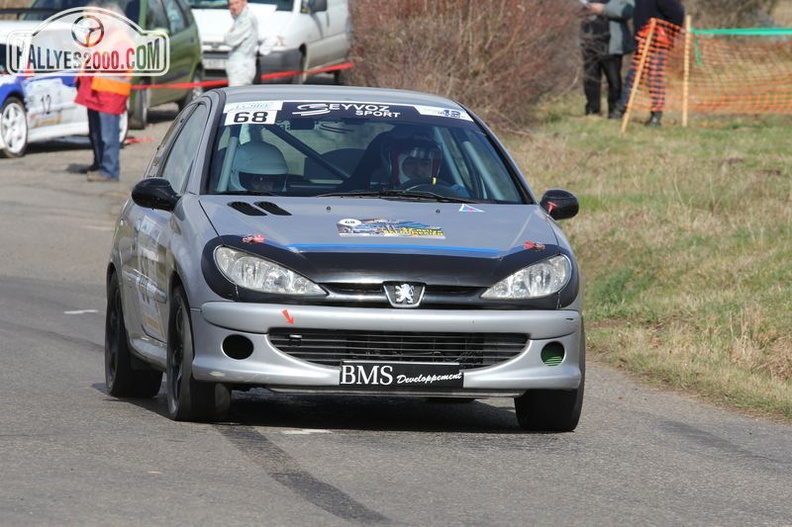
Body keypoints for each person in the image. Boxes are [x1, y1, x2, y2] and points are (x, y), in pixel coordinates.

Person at [74, 3, 132, 182]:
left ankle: (109, 171)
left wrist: (96, 60)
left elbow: (121, 65)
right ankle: (100, 165)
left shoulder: (120, 38)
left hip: (110, 92)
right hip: (97, 91)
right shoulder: (101, 36)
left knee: (108, 134)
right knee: (96, 132)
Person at [615, 0, 685, 126]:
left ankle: (656, 115)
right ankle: (621, 109)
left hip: (657, 41)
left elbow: (677, 13)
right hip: (642, 39)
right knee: (633, 76)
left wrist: (667, 32)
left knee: (654, 78)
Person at [579, 0, 635, 119]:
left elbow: (629, 11)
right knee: (590, 78)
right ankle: (592, 111)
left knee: (614, 80)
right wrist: (586, 8)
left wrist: (604, 9)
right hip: (589, 40)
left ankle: (614, 112)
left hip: (611, 43)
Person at [224, 0, 259, 87]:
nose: (233, 7)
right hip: (241, 66)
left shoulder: (246, 19)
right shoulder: (241, 17)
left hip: (241, 68)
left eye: (236, 3)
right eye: (231, 4)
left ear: (244, 2)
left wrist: (229, 34)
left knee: (236, 97)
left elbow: (230, 40)